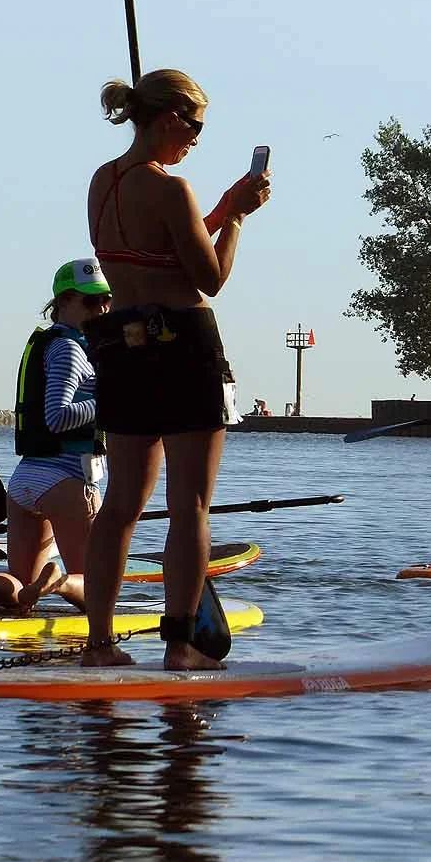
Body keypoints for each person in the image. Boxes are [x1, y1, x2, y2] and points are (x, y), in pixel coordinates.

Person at [80, 69, 270, 669]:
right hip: (183, 346)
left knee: (121, 506)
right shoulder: (171, 189)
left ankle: (100, 643)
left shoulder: (102, 183)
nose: (196, 140)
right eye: (195, 126)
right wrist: (237, 216)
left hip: (125, 347)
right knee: (189, 504)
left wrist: (217, 209)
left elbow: (156, 252)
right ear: (167, 119)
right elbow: (207, 276)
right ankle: (182, 644)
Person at [0, 258, 114, 615]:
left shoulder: (53, 344)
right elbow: (57, 416)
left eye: (106, 299)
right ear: (62, 302)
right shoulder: (70, 349)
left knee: (20, 587)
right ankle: (59, 582)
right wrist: (111, 402)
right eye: (90, 301)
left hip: (26, 481)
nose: (102, 308)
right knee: (97, 589)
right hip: (67, 480)